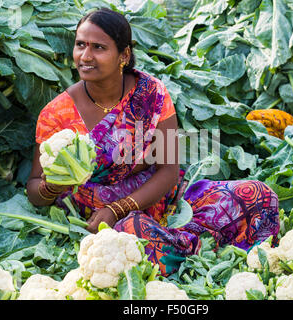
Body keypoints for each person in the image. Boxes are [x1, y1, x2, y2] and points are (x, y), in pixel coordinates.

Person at [26, 8, 280, 275]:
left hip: (163, 202)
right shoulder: (57, 114)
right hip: (99, 222)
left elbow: (168, 171)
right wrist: (50, 186)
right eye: (80, 45)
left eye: (98, 47)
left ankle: (179, 245)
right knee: (134, 234)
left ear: (123, 55)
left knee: (257, 195)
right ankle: (193, 246)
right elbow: (34, 189)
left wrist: (119, 207)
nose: (85, 56)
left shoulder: (151, 93)